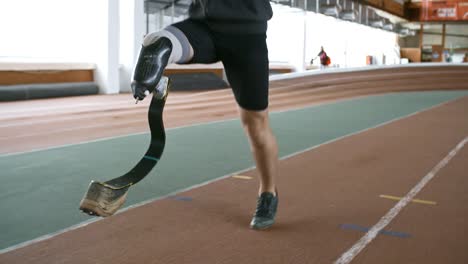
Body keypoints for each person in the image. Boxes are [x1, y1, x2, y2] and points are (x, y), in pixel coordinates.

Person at [131, 0, 279, 230]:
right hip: (203, 26)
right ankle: (150, 66)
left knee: (255, 127)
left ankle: (268, 191)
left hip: (247, 34)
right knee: (158, 43)